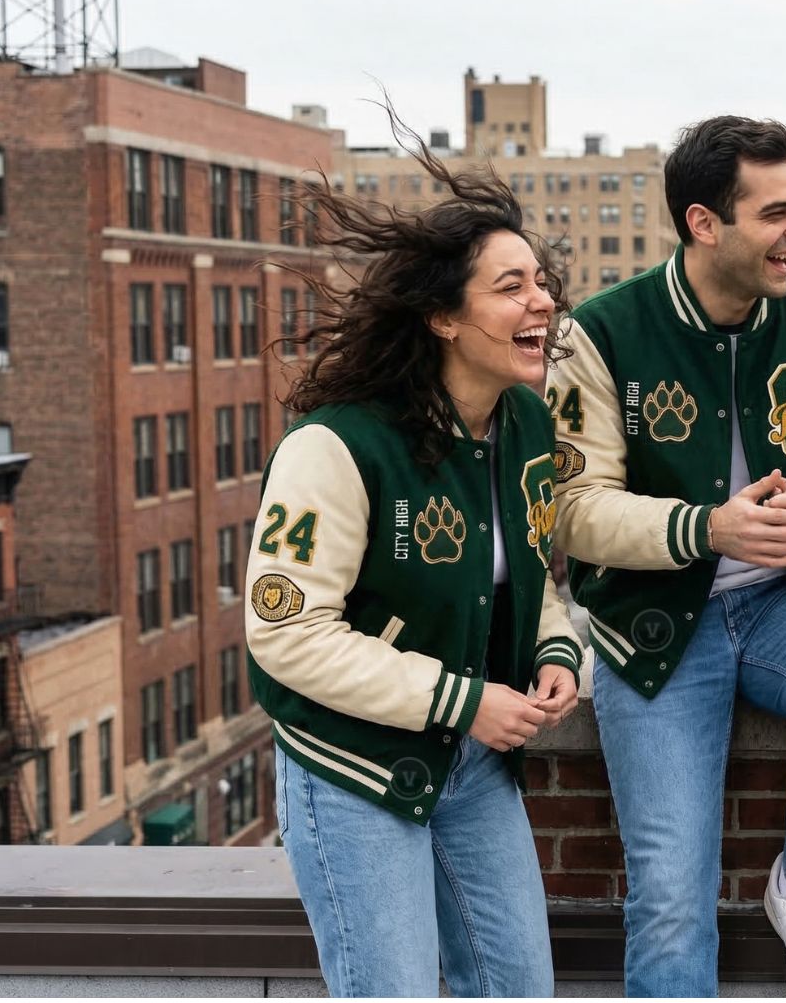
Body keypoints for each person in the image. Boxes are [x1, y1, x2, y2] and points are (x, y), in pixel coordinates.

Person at [549, 116, 786, 997]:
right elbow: (572, 509)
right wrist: (707, 528)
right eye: (778, 212)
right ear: (706, 223)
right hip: (655, 620)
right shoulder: (602, 332)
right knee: (668, 897)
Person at [244, 133, 582, 998]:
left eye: (540, 281)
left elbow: (530, 573)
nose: (539, 299)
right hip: (350, 766)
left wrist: (553, 650)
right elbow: (285, 634)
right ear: (442, 317)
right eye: (511, 286)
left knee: (518, 986)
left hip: (468, 765)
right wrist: (464, 698)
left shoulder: (527, 426)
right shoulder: (338, 445)